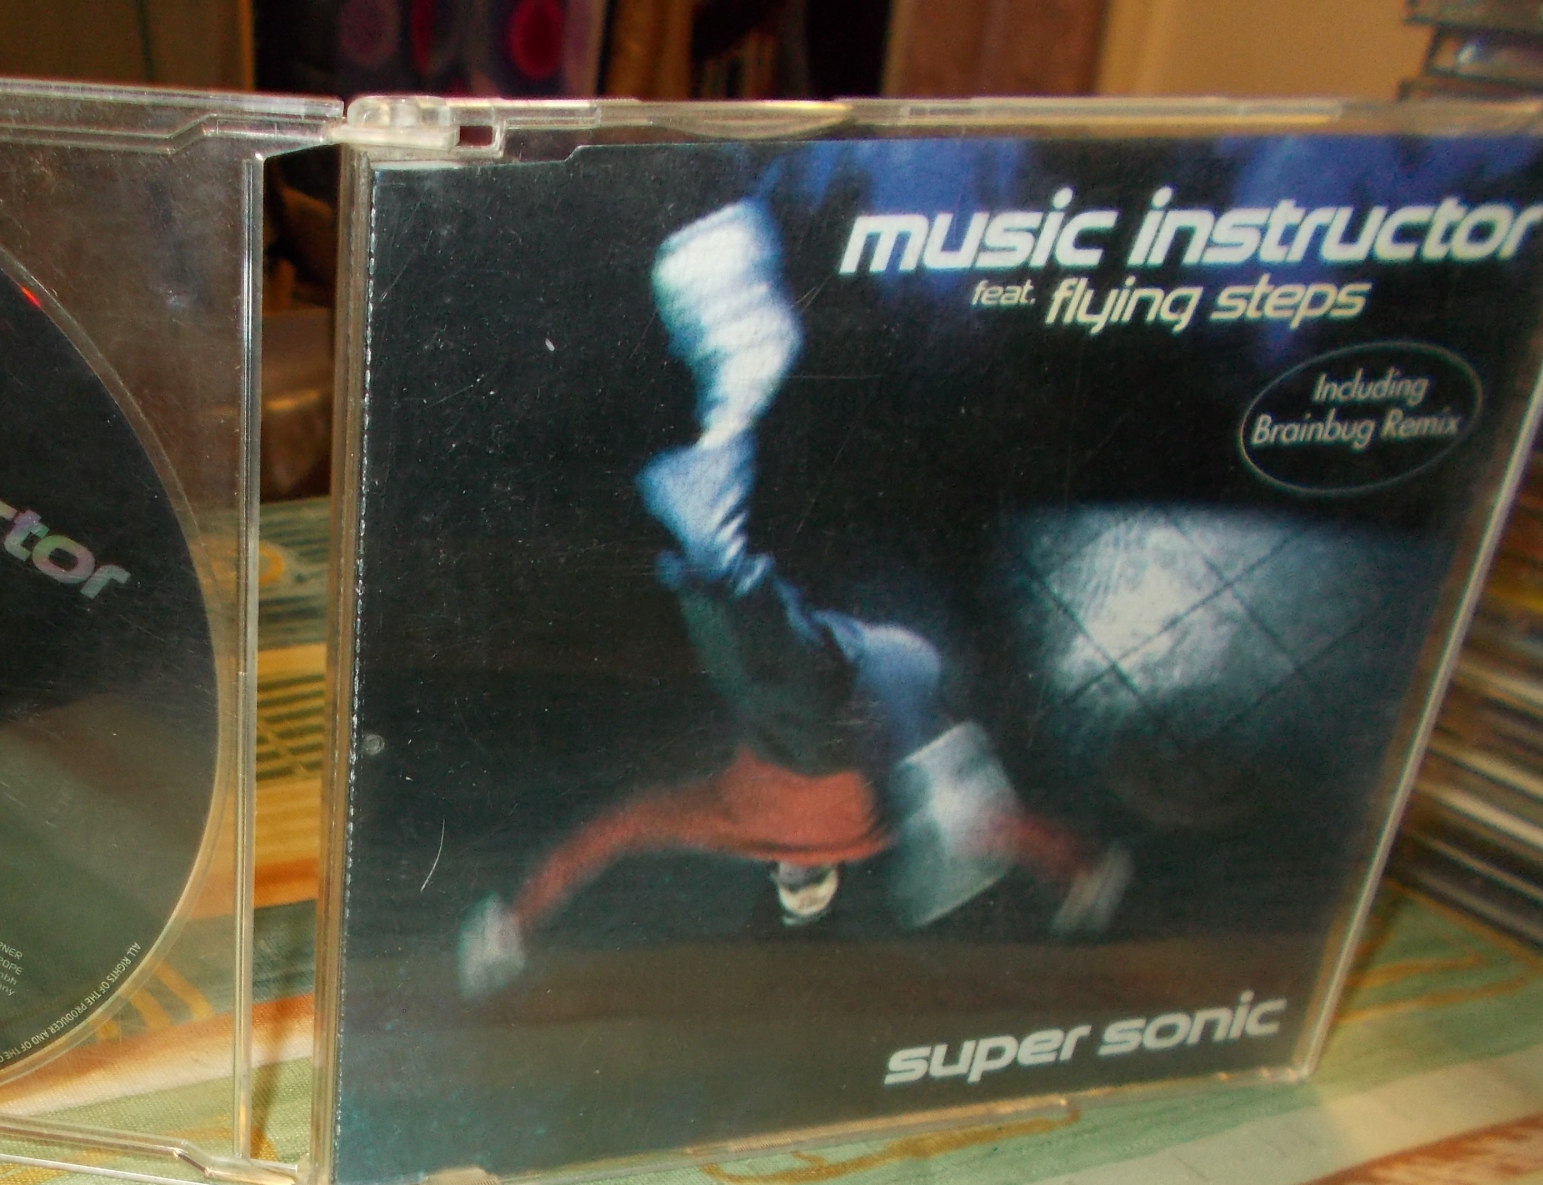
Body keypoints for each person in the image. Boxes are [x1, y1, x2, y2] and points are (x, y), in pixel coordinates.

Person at [459, 196, 1127, 1001]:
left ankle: (725, 500)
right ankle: (728, 488)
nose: (799, 868)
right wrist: (1077, 865)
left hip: (845, 678)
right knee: (771, 638)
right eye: (809, 880)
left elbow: (614, 832)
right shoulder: (847, 834)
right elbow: (995, 829)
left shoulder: (736, 828)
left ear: (777, 872)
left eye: (792, 880)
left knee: (748, 630)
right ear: (825, 875)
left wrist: (515, 921)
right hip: (853, 690)